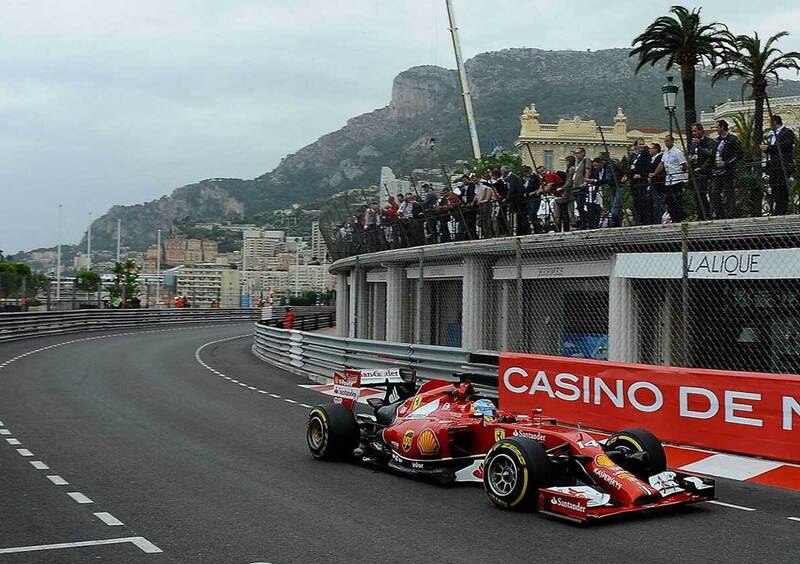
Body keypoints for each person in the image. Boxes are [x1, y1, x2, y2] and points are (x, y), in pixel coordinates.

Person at [761, 114, 796, 216]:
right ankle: (777, 208)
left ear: (775, 122)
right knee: (774, 186)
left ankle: (782, 209)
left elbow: (785, 146)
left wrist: (769, 148)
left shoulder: (787, 132)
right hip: (773, 164)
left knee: (782, 187)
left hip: (782, 164)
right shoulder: (772, 134)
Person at [650, 134, 687, 223]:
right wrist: (655, 173)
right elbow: (662, 164)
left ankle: (679, 219)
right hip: (669, 180)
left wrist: (682, 173)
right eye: (665, 141)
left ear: (672, 141)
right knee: (669, 201)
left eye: (668, 141)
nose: (666, 143)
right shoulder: (665, 153)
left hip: (677, 179)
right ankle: (674, 218)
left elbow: (684, 165)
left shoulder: (677, 152)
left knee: (677, 201)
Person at [710, 119, 742, 219]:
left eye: (717, 127)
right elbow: (712, 153)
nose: (716, 129)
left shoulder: (732, 139)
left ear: (722, 127)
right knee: (714, 192)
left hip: (728, 170)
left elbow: (738, 154)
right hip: (716, 171)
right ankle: (719, 214)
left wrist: (727, 163)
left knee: (729, 192)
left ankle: (731, 213)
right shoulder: (716, 140)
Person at [689, 123, 716, 221]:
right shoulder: (692, 144)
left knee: (703, 193)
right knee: (696, 195)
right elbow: (692, 154)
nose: (694, 133)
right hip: (695, 172)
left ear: (701, 131)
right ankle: (700, 214)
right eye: (692, 131)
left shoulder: (708, 141)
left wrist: (699, 145)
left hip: (705, 172)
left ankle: (707, 214)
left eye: (695, 131)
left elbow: (710, 154)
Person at [624, 137, 652, 225]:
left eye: (642, 144)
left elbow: (647, 167)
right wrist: (628, 176)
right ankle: (637, 218)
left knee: (642, 201)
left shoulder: (646, 155)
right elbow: (630, 167)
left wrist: (641, 175)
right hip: (634, 181)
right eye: (640, 144)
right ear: (635, 146)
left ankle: (643, 220)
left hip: (641, 181)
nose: (642, 146)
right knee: (636, 201)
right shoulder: (633, 156)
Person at [502, 165, 529, 235]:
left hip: (518, 199)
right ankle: (520, 230)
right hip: (516, 199)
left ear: (505, 171)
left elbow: (512, 189)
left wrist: (507, 198)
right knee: (519, 216)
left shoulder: (512, 178)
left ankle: (523, 230)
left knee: (521, 215)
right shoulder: (511, 177)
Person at [586, 158, 612, 229]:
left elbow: (607, 179)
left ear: (601, 164)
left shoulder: (607, 168)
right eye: (594, 166)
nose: (595, 167)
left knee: (604, 206)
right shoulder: (597, 171)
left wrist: (595, 180)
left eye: (596, 165)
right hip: (598, 190)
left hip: (606, 189)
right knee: (593, 206)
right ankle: (594, 223)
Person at [554, 155, 575, 232]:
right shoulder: (572, 169)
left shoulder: (571, 169)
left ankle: (557, 220)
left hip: (569, 192)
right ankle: (571, 223)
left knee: (559, 202)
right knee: (570, 209)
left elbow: (569, 181)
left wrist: (562, 188)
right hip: (569, 192)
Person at [572, 148, 591, 229]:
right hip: (575, 186)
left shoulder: (586, 160)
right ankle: (582, 222)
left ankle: (584, 222)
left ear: (583, 153)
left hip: (581, 186)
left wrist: (585, 181)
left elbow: (588, 170)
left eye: (578, 153)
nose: (576, 155)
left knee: (580, 205)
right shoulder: (577, 162)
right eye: (575, 153)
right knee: (578, 206)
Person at [648, 142, 666, 222]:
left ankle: (658, 219)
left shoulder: (660, 158)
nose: (649, 150)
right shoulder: (651, 159)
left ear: (655, 149)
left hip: (658, 184)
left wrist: (654, 174)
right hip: (653, 184)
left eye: (651, 148)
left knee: (658, 203)